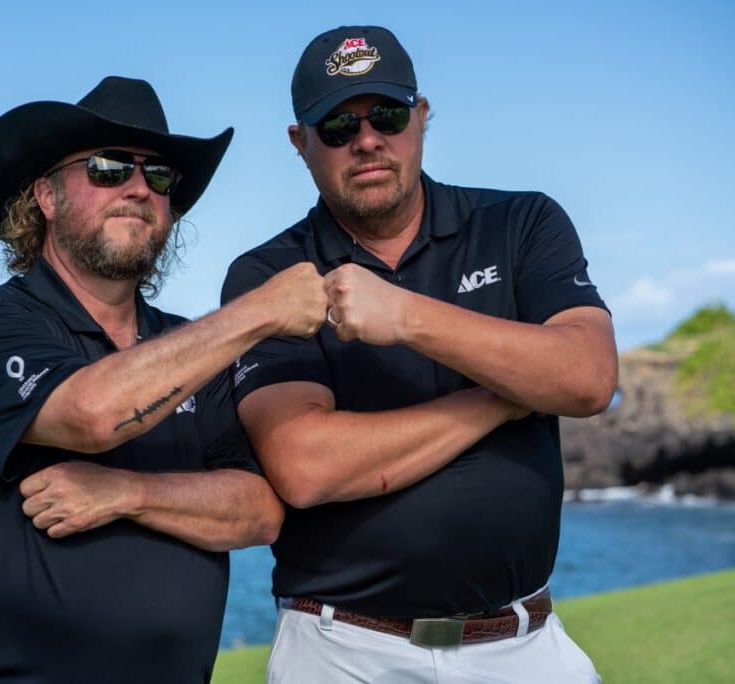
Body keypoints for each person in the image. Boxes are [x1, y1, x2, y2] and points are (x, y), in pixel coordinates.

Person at [221, 26, 618, 683]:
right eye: (336, 126)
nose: (368, 139)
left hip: (525, 644)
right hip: (343, 650)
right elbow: (304, 466)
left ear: (422, 115)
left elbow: (589, 378)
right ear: (300, 142)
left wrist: (408, 318)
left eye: (387, 114)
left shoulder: (523, 224)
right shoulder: (270, 275)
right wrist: (505, 396)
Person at [0, 76, 328, 683]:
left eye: (158, 177)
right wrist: (260, 310)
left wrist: (126, 493)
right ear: (45, 197)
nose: (136, 188)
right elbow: (92, 413)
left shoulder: (191, 350)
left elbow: (259, 511)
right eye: (108, 168)